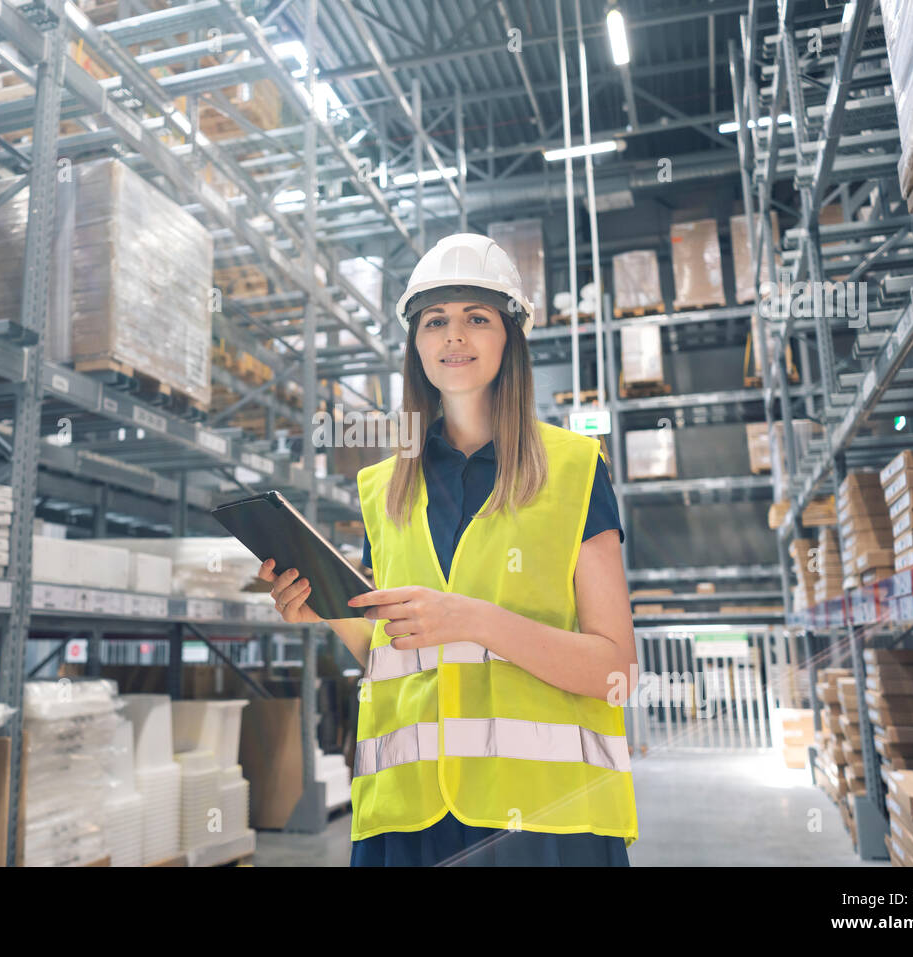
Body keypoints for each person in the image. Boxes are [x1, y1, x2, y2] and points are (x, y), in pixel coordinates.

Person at [258, 233, 638, 866]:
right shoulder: (383, 489)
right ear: (415, 346)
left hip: (544, 822)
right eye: (435, 321)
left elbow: (614, 671)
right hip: (408, 817)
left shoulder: (574, 469)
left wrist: (470, 618)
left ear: (510, 338)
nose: (453, 337)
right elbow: (393, 647)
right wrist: (325, 609)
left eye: (476, 318)